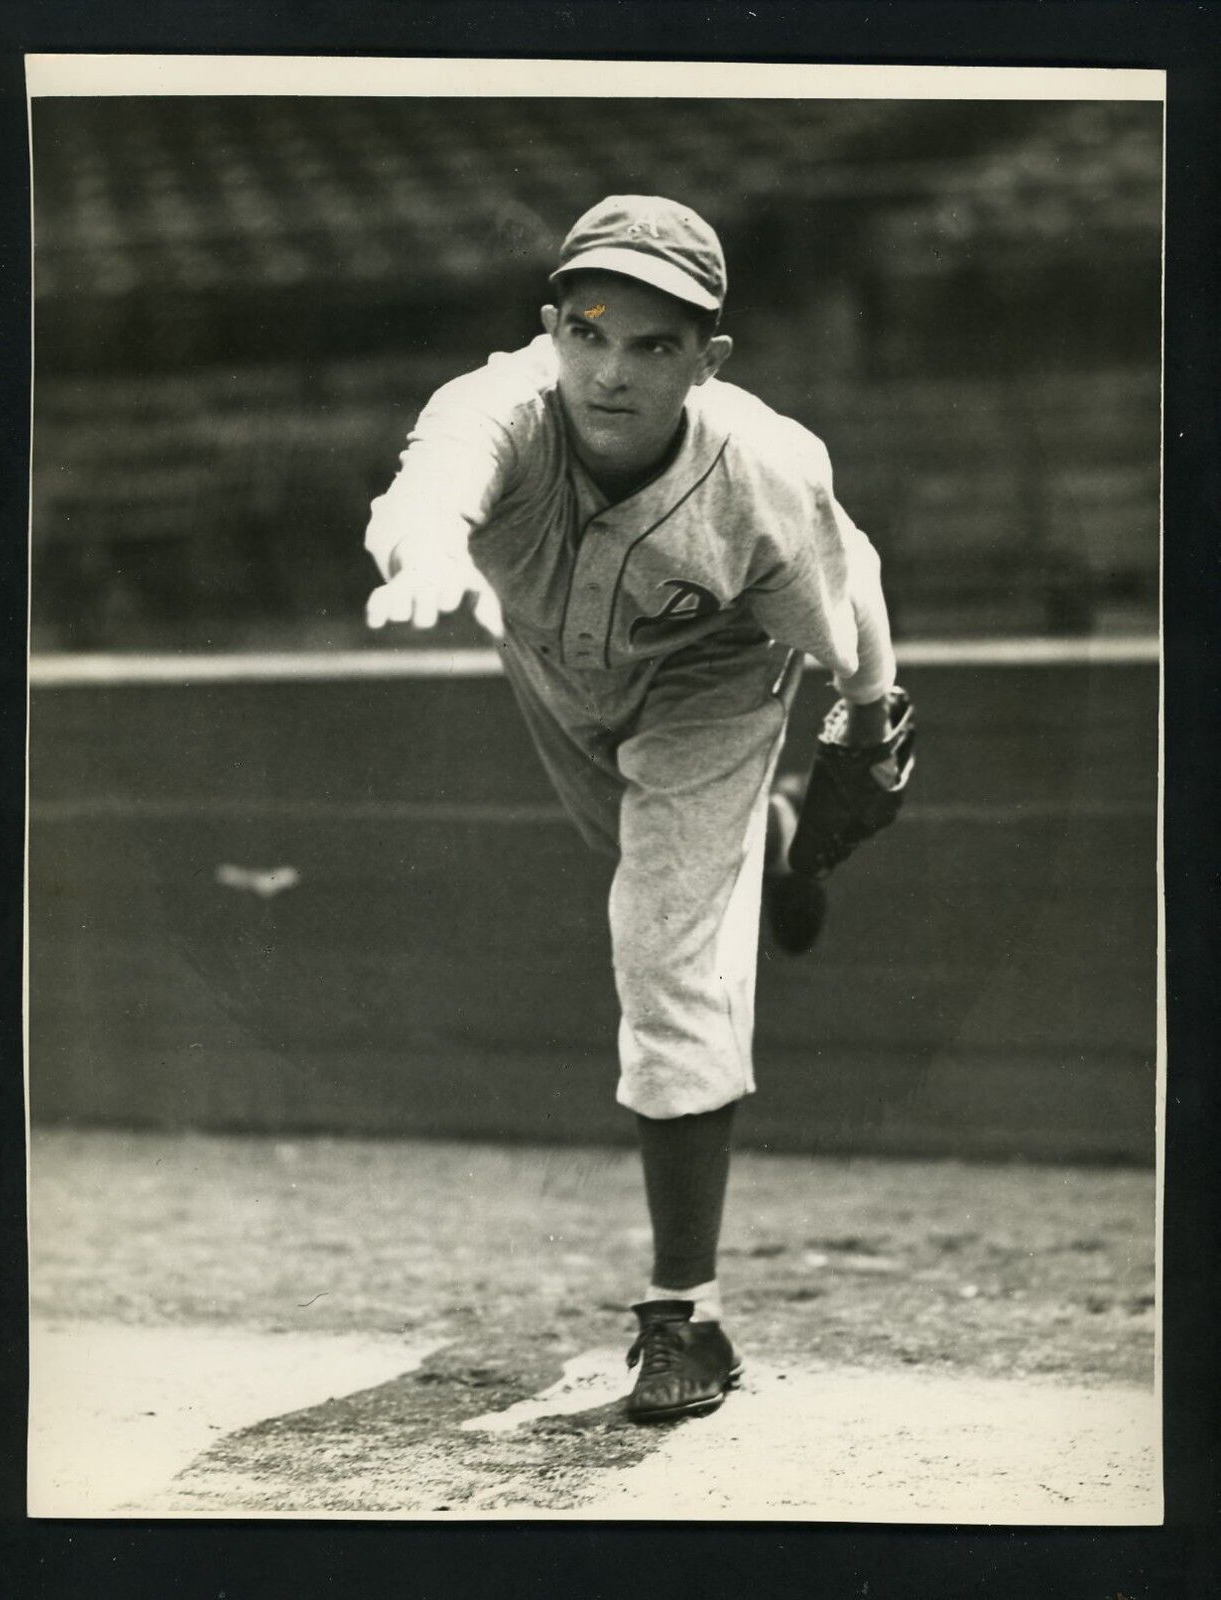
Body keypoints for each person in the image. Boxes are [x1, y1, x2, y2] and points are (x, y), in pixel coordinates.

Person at [364, 196, 899, 1422]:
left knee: (662, 952)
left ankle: (683, 1316)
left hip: (716, 679)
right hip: (553, 670)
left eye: (653, 346)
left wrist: (871, 725)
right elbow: (429, 490)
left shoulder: (762, 466)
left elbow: (849, 591)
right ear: (553, 328)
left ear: (705, 362)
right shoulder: (496, 403)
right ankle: (753, 850)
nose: (610, 372)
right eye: (591, 333)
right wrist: (433, 551)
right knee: (656, 879)